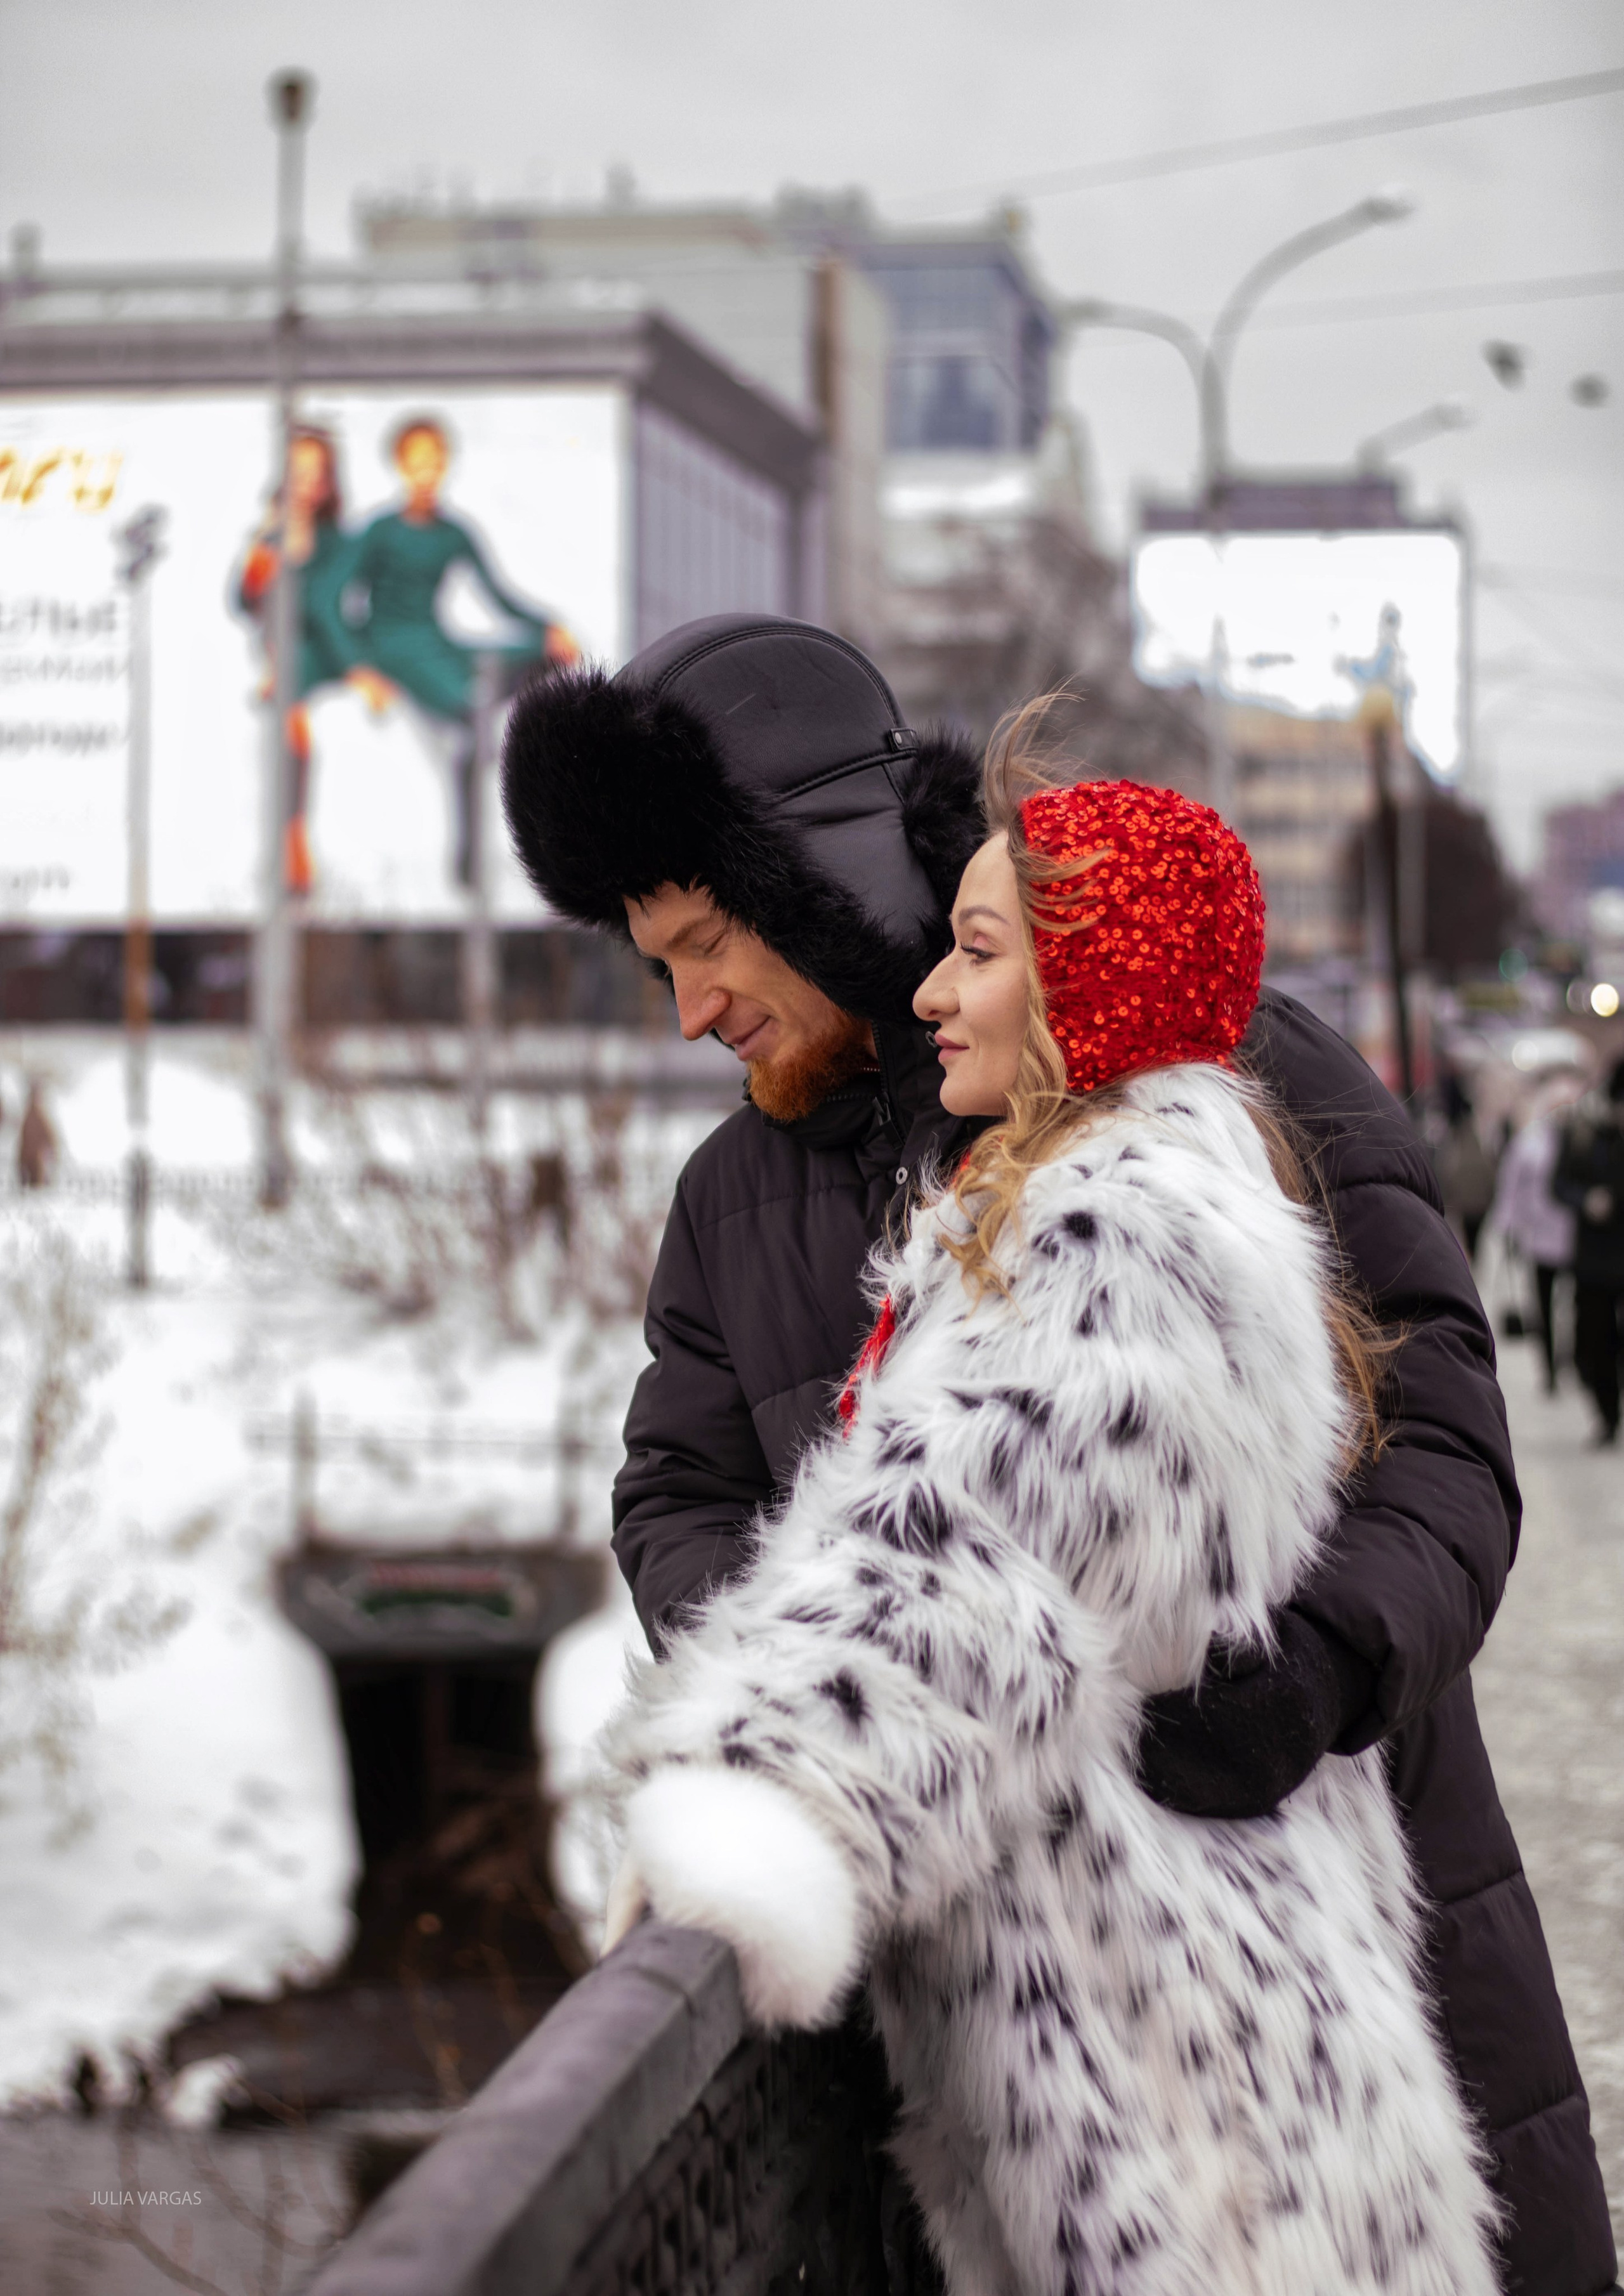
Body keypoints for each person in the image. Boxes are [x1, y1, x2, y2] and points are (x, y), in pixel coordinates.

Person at [502, 616, 1617, 2296]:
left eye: (706, 941)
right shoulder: (728, 1203)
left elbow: (1451, 1433)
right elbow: (674, 1495)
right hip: (974, 2044)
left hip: (1322, 1954)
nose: (690, 1012)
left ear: (822, 882)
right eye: (654, 966)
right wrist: (869, 1667)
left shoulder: (1215, 1069)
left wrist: (1317, 1661)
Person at [331, 417, 579, 887]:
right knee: (471, 705)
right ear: (401, 467)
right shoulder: (379, 532)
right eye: (417, 463)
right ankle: (467, 851)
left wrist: (548, 629)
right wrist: (361, 669)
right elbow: (337, 600)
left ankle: (487, 729)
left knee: (540, 655)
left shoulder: (453, 534)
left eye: (436, 462)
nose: (427, 473)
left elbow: (498, 595)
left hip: (439, 641)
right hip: (393, 647)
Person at [234, 426, 357, 897]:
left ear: (328, 482)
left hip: (324, 650)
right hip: (280, 652)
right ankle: (290, 842)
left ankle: (293, 843)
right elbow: (243, 600)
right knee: (288, 707)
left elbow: (325, 609)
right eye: (295, 471)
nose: (305, 483)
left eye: (314, 472)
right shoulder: (270, 536)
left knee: (291, 693)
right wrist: (265, 550)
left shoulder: (337, 543)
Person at [1493, 1074, 1581, 1393]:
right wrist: (1509, 1229)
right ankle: (1550, 1368)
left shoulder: (1580, 1142)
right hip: (1539, 1239)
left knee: (1576, 1306)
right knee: (1543, 1305)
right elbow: (1510, 1189)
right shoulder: (1529, 1143)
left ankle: (1575, 1359)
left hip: (1577, 1238)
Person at [1553, 1057, 1624, 1446]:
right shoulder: (1584, 1135)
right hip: (1594, 1262)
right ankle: (1607, 1415)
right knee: (1594, 1343)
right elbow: (1559, 1184)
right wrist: (1586, 1201)